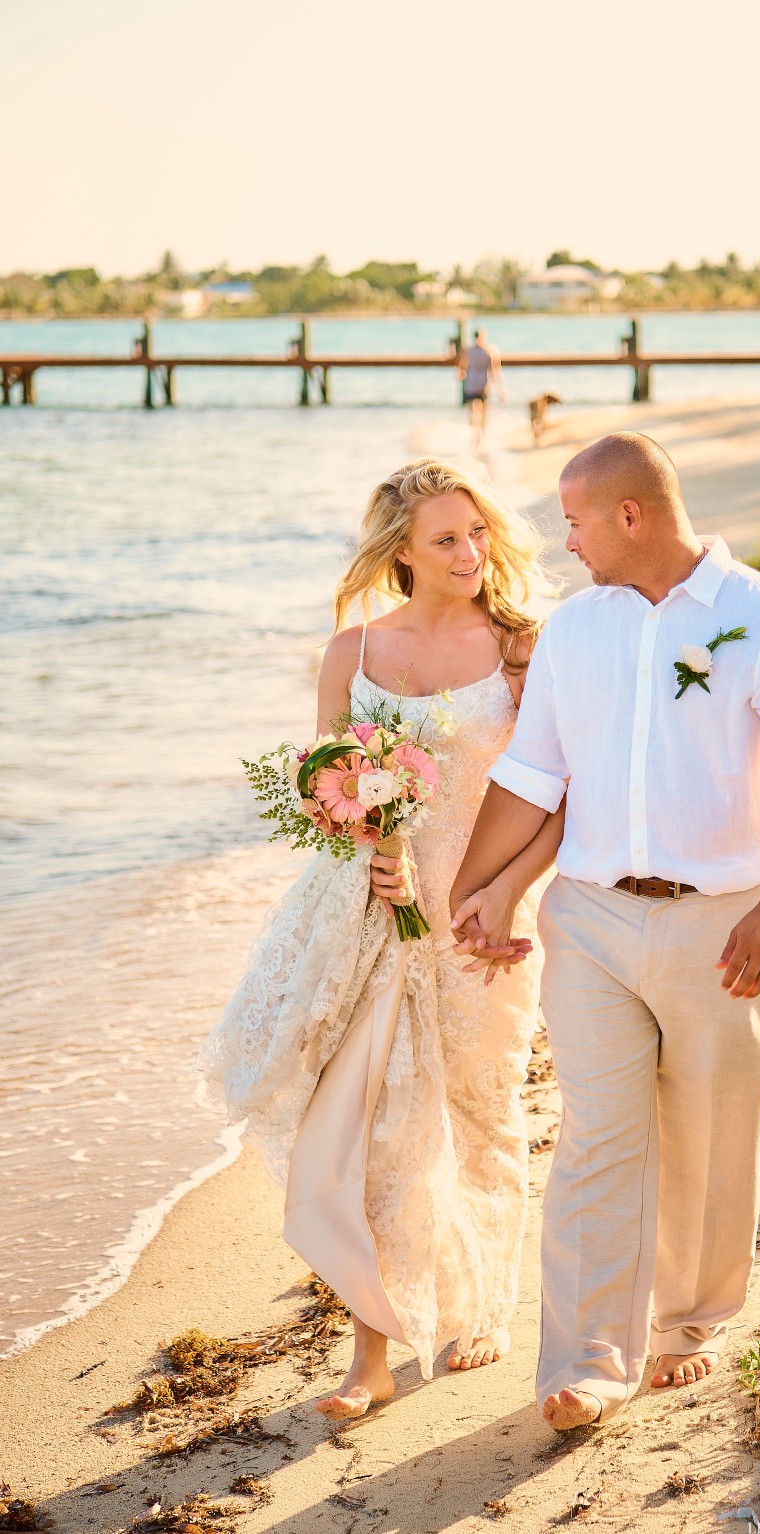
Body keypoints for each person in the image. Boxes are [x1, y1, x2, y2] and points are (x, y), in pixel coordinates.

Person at [450, 432, 760, 1430]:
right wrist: (471, 891)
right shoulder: (574, 630)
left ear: (630, 515)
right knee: (596, 1134)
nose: (567, 539)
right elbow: (532, 774)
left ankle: (687, 1324)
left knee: (710, 1133)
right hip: (586, 916)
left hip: (722, 920)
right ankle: (586, 1360)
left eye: (576, 519)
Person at [196, 459, 562, 1420]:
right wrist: (370, 839)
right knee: (375, 1125)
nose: (471, 553)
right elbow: (327, 792)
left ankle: (479, 1300)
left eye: (478, 532)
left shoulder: (523, 650)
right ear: (399, 551)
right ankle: (372, 1349)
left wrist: (510, 893)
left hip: (481, 911)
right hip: (367, 918)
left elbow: (564, 792)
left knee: (482, 1107)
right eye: (446, 538)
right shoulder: (351, 653)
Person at [457, 328, 506, 451]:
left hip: (471, 382)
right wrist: (500, 390)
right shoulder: (491, 350)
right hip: (484, 383)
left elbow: (461, 367)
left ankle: (475, 436)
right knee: (484, 411)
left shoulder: (468, 350)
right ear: (484, 336)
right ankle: (482, 436)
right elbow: (495, 371)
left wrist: (461, 375)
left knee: (473, 411)